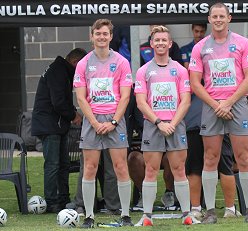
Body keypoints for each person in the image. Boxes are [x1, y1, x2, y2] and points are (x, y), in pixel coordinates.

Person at [189, 2, 248, 223]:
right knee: (210, 157)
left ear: (229, 18)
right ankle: (210, 212)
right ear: (209, 19)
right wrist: (217, 104)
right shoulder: (200, 47)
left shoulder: (243, 43)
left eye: (222, 16)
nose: (218, 20)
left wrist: (228, 102)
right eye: (214, 16)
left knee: (243, 157)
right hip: (211, 106)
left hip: (236, 104)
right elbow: (195, 83)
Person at [134, 25, 199, 226]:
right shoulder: (143, 71)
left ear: (170, 44)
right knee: (151, 170)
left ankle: (187, 215)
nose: (160, 43)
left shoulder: (179, 69)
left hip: (175, 125)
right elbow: (141, 102)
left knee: (179, 170)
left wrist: (172, 123)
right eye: (157, 40)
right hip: (153, 126)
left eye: (164, 40)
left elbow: (186, 100)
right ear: (151, 43)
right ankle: (147, 217)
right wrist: (159, 122)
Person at [73, 19, 133, 228]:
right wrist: (94, 122)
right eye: (97, 33)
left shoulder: (122, 62)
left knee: (120, 167)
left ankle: (125, 214)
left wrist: (114, 121)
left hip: (115, 121)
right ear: (92, 36)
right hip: (92, 120)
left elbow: (125, 96)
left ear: (110, 36)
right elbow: (81, 98)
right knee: (90, 167)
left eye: (105, 33)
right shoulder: (83, 64)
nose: (101, 37)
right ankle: (89, 216)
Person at [31, 48, 87, 213]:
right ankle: (52, 201)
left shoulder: (60, 69)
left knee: (63, 164)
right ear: (76, 62)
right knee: (53, 164)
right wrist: (74, 115)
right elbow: (58, 102)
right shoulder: (58, 71)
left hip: (55, 125)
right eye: (81, 67)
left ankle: (63, 199)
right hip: (49, 125)